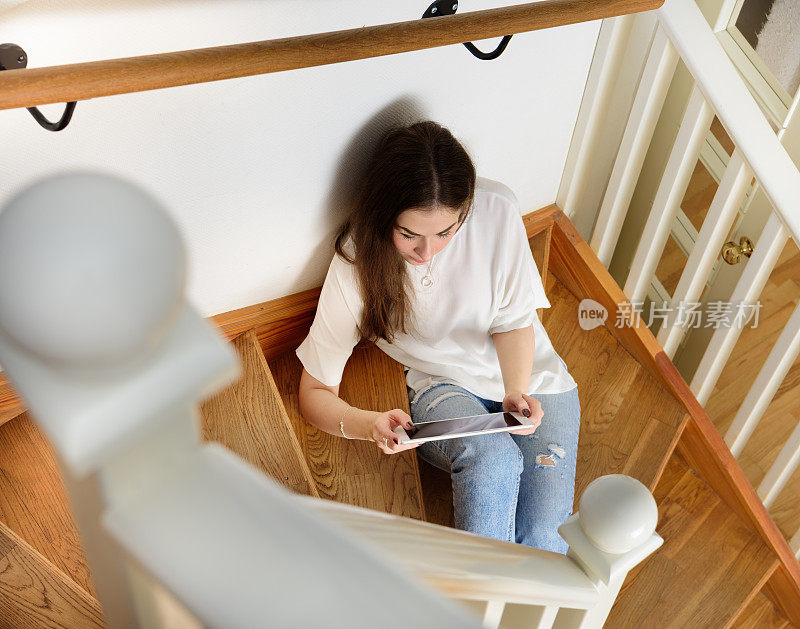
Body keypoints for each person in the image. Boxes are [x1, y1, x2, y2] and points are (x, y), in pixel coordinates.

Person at [296, 120, 580, 553]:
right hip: (440, 387)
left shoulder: (497, 209)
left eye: (445, 232)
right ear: (382, 214)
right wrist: (367, 425)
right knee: (492, 461)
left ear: (465, 211)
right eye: (409, 235)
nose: (427, 253)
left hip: (533, 379)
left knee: (543, 540)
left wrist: (515, 389)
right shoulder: (356, 264)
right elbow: (314, 392)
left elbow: (512, 322)